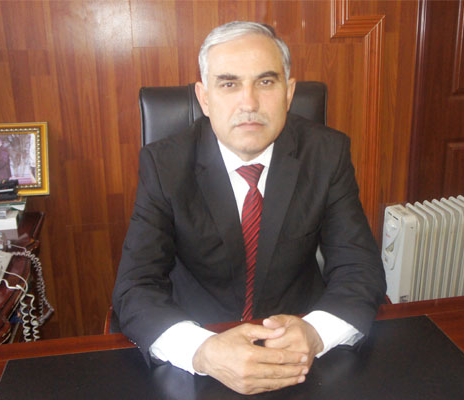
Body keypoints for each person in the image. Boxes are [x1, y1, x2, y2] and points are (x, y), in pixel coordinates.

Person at [113, 21, 386, 395]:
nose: (249, 104)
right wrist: (202, 351)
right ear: (204, 98)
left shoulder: (326, 154)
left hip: (297, 349)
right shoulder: (164, 165)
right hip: (200, 346)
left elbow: (360, 269)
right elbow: (135, 286)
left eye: (266, 82)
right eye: (229, 84)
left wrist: (316, 332)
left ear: (288, 93)